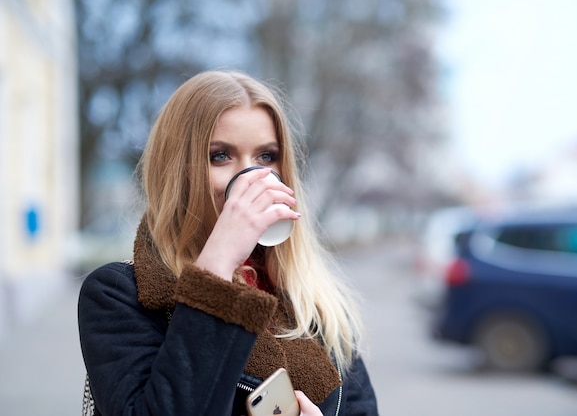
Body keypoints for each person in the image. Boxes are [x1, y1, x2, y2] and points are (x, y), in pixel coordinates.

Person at [78, 70, 379, 416]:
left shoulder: (315, 302)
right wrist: (217, 266)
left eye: (266, 157)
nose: (251, 177)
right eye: (220, 155)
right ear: (178, 171)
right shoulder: (119, 295)